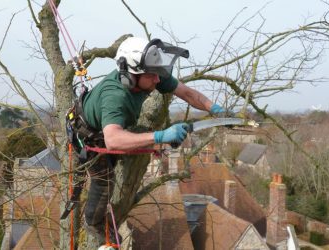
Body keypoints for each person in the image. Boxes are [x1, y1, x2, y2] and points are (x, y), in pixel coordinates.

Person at [72, 36, 224, 244]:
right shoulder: (115, 97)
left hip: (113, 124)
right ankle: (94, 224)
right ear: (130, 76)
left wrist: (213, 108)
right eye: (152, 76)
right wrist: (160, 137)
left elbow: (187, 93)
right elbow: (113, 140)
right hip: (89, 136)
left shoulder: (151, 74)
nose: (158, 80)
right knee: (105, 180)